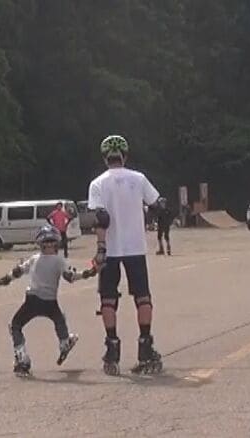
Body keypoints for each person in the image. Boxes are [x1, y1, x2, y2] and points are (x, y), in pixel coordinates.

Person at [88, 134, 163, 375]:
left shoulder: (98, 183)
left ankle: (112, 347)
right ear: (125, 156)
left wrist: (100, 249)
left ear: (104, 158)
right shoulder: (138, 178)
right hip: (135, 247)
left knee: (108, 298)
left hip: (110, 249)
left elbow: (101, 218)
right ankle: (145, 345)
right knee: (142, 296)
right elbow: (158, 203)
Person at [0, 224, 96, 376]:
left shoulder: (35, 258)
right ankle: (64, 342)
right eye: (47, 242)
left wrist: (7, 278)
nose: (49, 245)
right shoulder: (58, 260)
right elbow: (70, 277)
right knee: (59, 319)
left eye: (51, 242)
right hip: (49, 301)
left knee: (16, 325)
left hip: (33, 299)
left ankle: (22, 357)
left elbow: (19, 270)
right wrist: (86, 274)